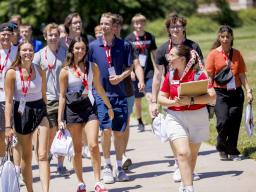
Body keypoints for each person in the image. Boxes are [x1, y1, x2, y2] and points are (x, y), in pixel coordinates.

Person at [151, 13, 204, 182]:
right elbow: (158, 76)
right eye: (172, 26)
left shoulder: (193, 46)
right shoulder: (161, 50)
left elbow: (200, 70)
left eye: (179, 26)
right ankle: (178, 163)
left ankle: (189, 166)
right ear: (168, 29)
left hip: (192, 92)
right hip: (171, 95)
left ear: (184, 28)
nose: (176, 29)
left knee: (191, 136)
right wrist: (154, 100)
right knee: (176, 133)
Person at [158, 45, 216, 192]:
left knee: (192, 155)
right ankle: (189, 188)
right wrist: (174, 102)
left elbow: (212, 96)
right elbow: (161, 97)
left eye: (171, 56)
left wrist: (191, 101)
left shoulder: (199, 75)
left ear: (182, 59)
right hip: (175, 116)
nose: (168, 59)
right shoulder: (170, 75)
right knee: (183, 153)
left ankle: (185, 184)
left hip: (198, 117)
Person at [58, 37, 113, 192]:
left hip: (89, 107)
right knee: (77, 149)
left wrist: (109, 106)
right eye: (77, 48)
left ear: (86, 50)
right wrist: (60, 118)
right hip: (72, 110)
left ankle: (98, 181)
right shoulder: (65, 71)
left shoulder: (92, 67)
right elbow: (62, 96)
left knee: (94, 144)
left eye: (83, 48)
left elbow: (99, 88)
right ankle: (80, 182)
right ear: (71, 50)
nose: (80, 51)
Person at [89, 12, 133, 184]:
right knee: (105, 131)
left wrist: (121, 77)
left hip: (120, 93)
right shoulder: (93, 46)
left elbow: (130, 68)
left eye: (107, 23)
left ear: (114, 26)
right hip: (101, 95)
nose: (103, 26)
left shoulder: (125, 45)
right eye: (101, 23)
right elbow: (89, 70)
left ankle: (119, 166)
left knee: (119, 132)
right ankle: (107, 166)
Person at [5, 41, 50, 192]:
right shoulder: (12, 73)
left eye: (30, 50)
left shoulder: (39, 69)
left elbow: (44, 94)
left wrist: (48, 113)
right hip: (21, 112)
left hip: (39, 110)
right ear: (19, 53)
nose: (28, 52)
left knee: (43, 154)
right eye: (24, 50)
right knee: (26, 158)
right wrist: (7, 126)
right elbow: (9, 101)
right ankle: (30, 189)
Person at [205, 25, 253, 161]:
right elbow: (209, 76)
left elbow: (242, 75)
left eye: (227, 36)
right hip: (220, 93)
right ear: (219, 37)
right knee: (223, 121)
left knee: (234, 121)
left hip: (237, 93)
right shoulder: (213, 54)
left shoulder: (237, 53)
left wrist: (248, 90)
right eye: (222, 36)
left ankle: (232, 150)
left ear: (232, 37)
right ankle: (221, 146)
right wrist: (210, 91)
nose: (225, 39)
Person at [33, 23, 69, 176]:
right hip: (46, 100)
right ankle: (46, 154)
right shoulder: (39, 55)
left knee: (63, 130)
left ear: (59, 36)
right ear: (45, 37)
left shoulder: (66, 53)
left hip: (64, 98)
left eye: (56, 34)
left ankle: (60, 165)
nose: (53, 37)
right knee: (51, 131)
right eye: (50, 35)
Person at [112, 13, 145, 171]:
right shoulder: (102, 46)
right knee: (113, 126)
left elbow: (137, 64)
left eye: (118, 25)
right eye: (113, 25)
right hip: (109, 92)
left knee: (124, 124)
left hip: (127, 91)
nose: (116, 28)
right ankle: (117, 155)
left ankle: (122, 154)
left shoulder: (128, 45)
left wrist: (141, 80)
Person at [126, 13, 157, 132]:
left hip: (148, 71)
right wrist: (130, 72)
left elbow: (155, 54)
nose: (139, 25)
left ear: (144, 24)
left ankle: (154, 121)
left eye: (141, 23)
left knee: (150, 96)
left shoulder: (150, 37)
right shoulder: (129, 39)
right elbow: (127, 58)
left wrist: (159, 68)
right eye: (136, 23)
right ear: (133, 24)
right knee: (137, 100)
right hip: (135, 74)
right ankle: (140, 121)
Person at [0, 22, 18, 168]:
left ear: (12, 36)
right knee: (1, 134)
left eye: (8, 34)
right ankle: (2, 161)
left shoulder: (17, 51)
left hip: (13, 97)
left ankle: (12, 165)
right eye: (3, 34)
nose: (6, 36)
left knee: (13, 133)